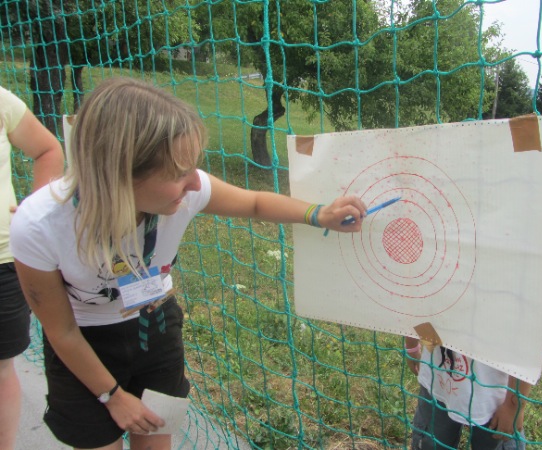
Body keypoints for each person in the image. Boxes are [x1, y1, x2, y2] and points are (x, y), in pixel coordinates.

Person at [9, 77, 367, 450]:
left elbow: (254, 203)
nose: (196, 184)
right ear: (120, 174)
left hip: (156, 325)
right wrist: (112, 396)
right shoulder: (39, 226)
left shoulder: (187, 193)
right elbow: (62, 332)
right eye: (180, 172)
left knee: (155, 439)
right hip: (84, 346)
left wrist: (318, 214)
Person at [0, 85, 64, 449]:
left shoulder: (1, 101)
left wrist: (34, 209)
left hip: (3, 261)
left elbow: (48, 149)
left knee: (0, 368)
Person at [406, 294, 542, 450]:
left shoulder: (523, 281)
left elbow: (529, 342)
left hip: (495, 398)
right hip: (438, 383)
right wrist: (415, 345)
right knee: (432, 442)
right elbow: (419, 295)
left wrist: (513, 405)